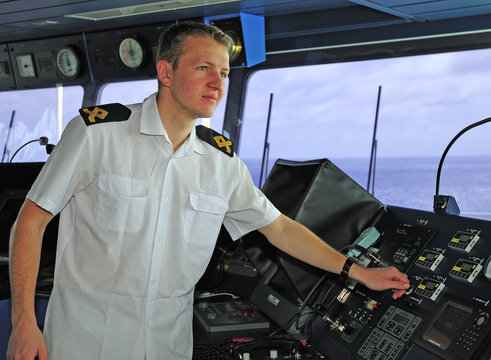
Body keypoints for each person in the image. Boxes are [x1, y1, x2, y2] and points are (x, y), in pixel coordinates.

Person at [7, 21, 410, 360]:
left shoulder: (222, 162)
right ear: (166, 73)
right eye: (204, 68)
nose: (218, 82)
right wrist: (24, 320)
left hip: (168, 345)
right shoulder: (97, 135)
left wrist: (359, 273)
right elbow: (31, 221)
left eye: (225, 73)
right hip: (86, 344)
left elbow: (280, 229)